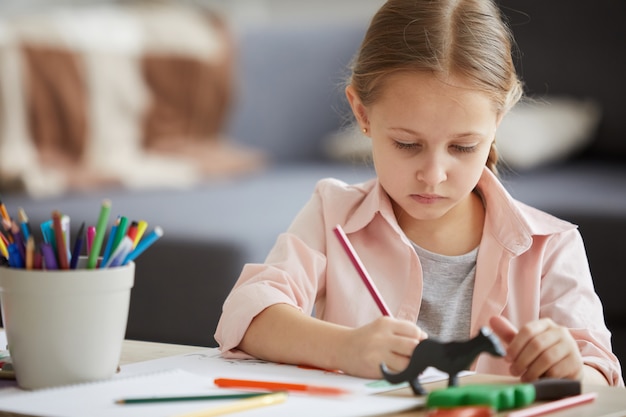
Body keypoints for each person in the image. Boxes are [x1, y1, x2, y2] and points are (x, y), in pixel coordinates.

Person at [215, 0, 624, 386]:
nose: (433, 176)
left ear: (497, 122)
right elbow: (244, 315)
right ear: (362, 114)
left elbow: (601, 373)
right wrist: (344, 348)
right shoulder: (332, 214)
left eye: (463, 147)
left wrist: (571, 369)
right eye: (407, 145)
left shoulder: (551, 246)